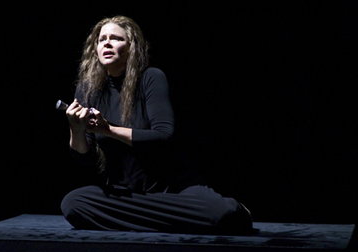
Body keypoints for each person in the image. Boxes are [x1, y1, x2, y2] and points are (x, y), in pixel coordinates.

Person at [60, 16, 252, 235]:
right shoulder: (87, 91)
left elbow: (163, 136)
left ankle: (141, 219)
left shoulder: (151, 79)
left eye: (115, 38)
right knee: (73, 203)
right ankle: (169, 220)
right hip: (125, 194)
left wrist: (108, 130)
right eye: (101, 39)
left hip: (174, 191)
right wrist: (76, 129)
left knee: (223, 214)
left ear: (131, 46)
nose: (107, 43)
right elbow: (86, 160)